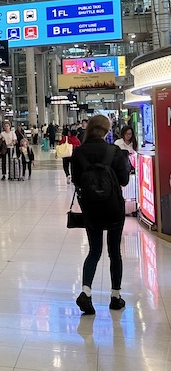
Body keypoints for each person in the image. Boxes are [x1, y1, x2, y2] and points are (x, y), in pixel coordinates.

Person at [71, 115, 131, 314]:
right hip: (114, 207)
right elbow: (124, 180)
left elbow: (77, 181)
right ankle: (115, 297)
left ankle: (86, 293)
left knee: (94, 251)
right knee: (115, 252)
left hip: (91, 208)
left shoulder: (79, 153)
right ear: (106, 130)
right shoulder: (115, 151)